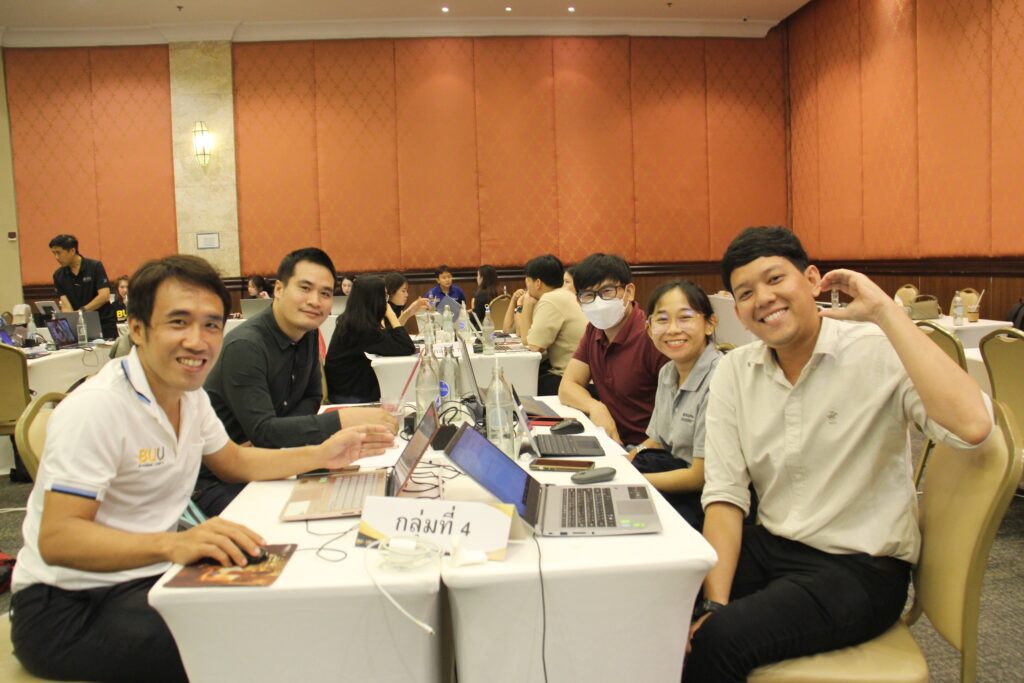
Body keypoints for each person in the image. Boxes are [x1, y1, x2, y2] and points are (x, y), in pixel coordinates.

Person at [9, 254, 393, 683]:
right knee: (248, 641)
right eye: (178, 322)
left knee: (294, 598)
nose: (198, 341)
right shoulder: (98, 408)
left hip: (145, 579)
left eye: (211, 325)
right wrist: (173, 544)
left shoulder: (188, 395)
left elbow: (234, 462)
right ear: (138, 328)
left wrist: (324, 454)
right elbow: (58, 539)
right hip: (68, 606)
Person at [685, 227, 992, 682]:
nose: (763, 299)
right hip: (773, 545)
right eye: (745, 293)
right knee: (661, 589)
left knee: (719, 640)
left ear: (812, 280)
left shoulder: (876, 350)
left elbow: (973, 428)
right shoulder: (734, 370)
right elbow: (726, 495)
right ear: (739, 314)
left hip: (859, 569)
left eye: (775, 279)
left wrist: (887, 313)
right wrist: (714, 602)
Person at [200, 248, 397, 516]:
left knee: (359, 498)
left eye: (325, 293)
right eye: (305, 288)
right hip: (220, 482)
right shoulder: (246, 346)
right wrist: (343, 419)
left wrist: (278, 433)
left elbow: (312, 397)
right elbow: (263, 430)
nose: (315, 301)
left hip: (276, 460)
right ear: (279, 289)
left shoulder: (306, 332)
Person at [627, 281, 720, 531]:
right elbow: (658, 440)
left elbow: (699, 476)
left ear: (710, 324)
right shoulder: (668, 371)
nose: (673, 329)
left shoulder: (720, 379)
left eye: (685, 318)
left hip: (706, 502)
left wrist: (632, 480)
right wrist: (623, 462)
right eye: (662, 320)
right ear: (648, 329)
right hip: (673, 481)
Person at [558, 253, 667, 445]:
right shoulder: (594, 330)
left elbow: (675, 423)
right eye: (588, 295)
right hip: (609, 441)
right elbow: (567, 385)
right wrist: (596, 407)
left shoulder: (652, 336)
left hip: (648, 448)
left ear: (629, 292)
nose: (598, 303)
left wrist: (636, 454)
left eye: (607, 291)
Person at [503, 255, 588, 396]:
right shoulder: (564, 295)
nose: (526, 287)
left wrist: (527, 306)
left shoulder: (550, 300)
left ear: (537, 283)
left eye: (527, 281)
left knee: (518, 386)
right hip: (581, 373)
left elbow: (532, 345)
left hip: (570, 377)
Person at [325, 275, 416, 403]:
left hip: (349, 387)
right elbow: (406, 347)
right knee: (399, 391)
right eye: (384, 297)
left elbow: (391, 340)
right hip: (349, 393)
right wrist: (390, 314)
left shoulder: (354, 320)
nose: (386, 302)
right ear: (374, 299)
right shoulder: (360, 327)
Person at [49, 234, 117, 339]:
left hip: (104, 324)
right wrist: (72, 320)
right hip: (79, 327)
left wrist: (82, 311)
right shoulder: (58, 275)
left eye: (59, 253)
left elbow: (104, 296)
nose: (56, 257)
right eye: (54, 253)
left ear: (72, 251)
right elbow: (66, 305)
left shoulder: (95, 266)